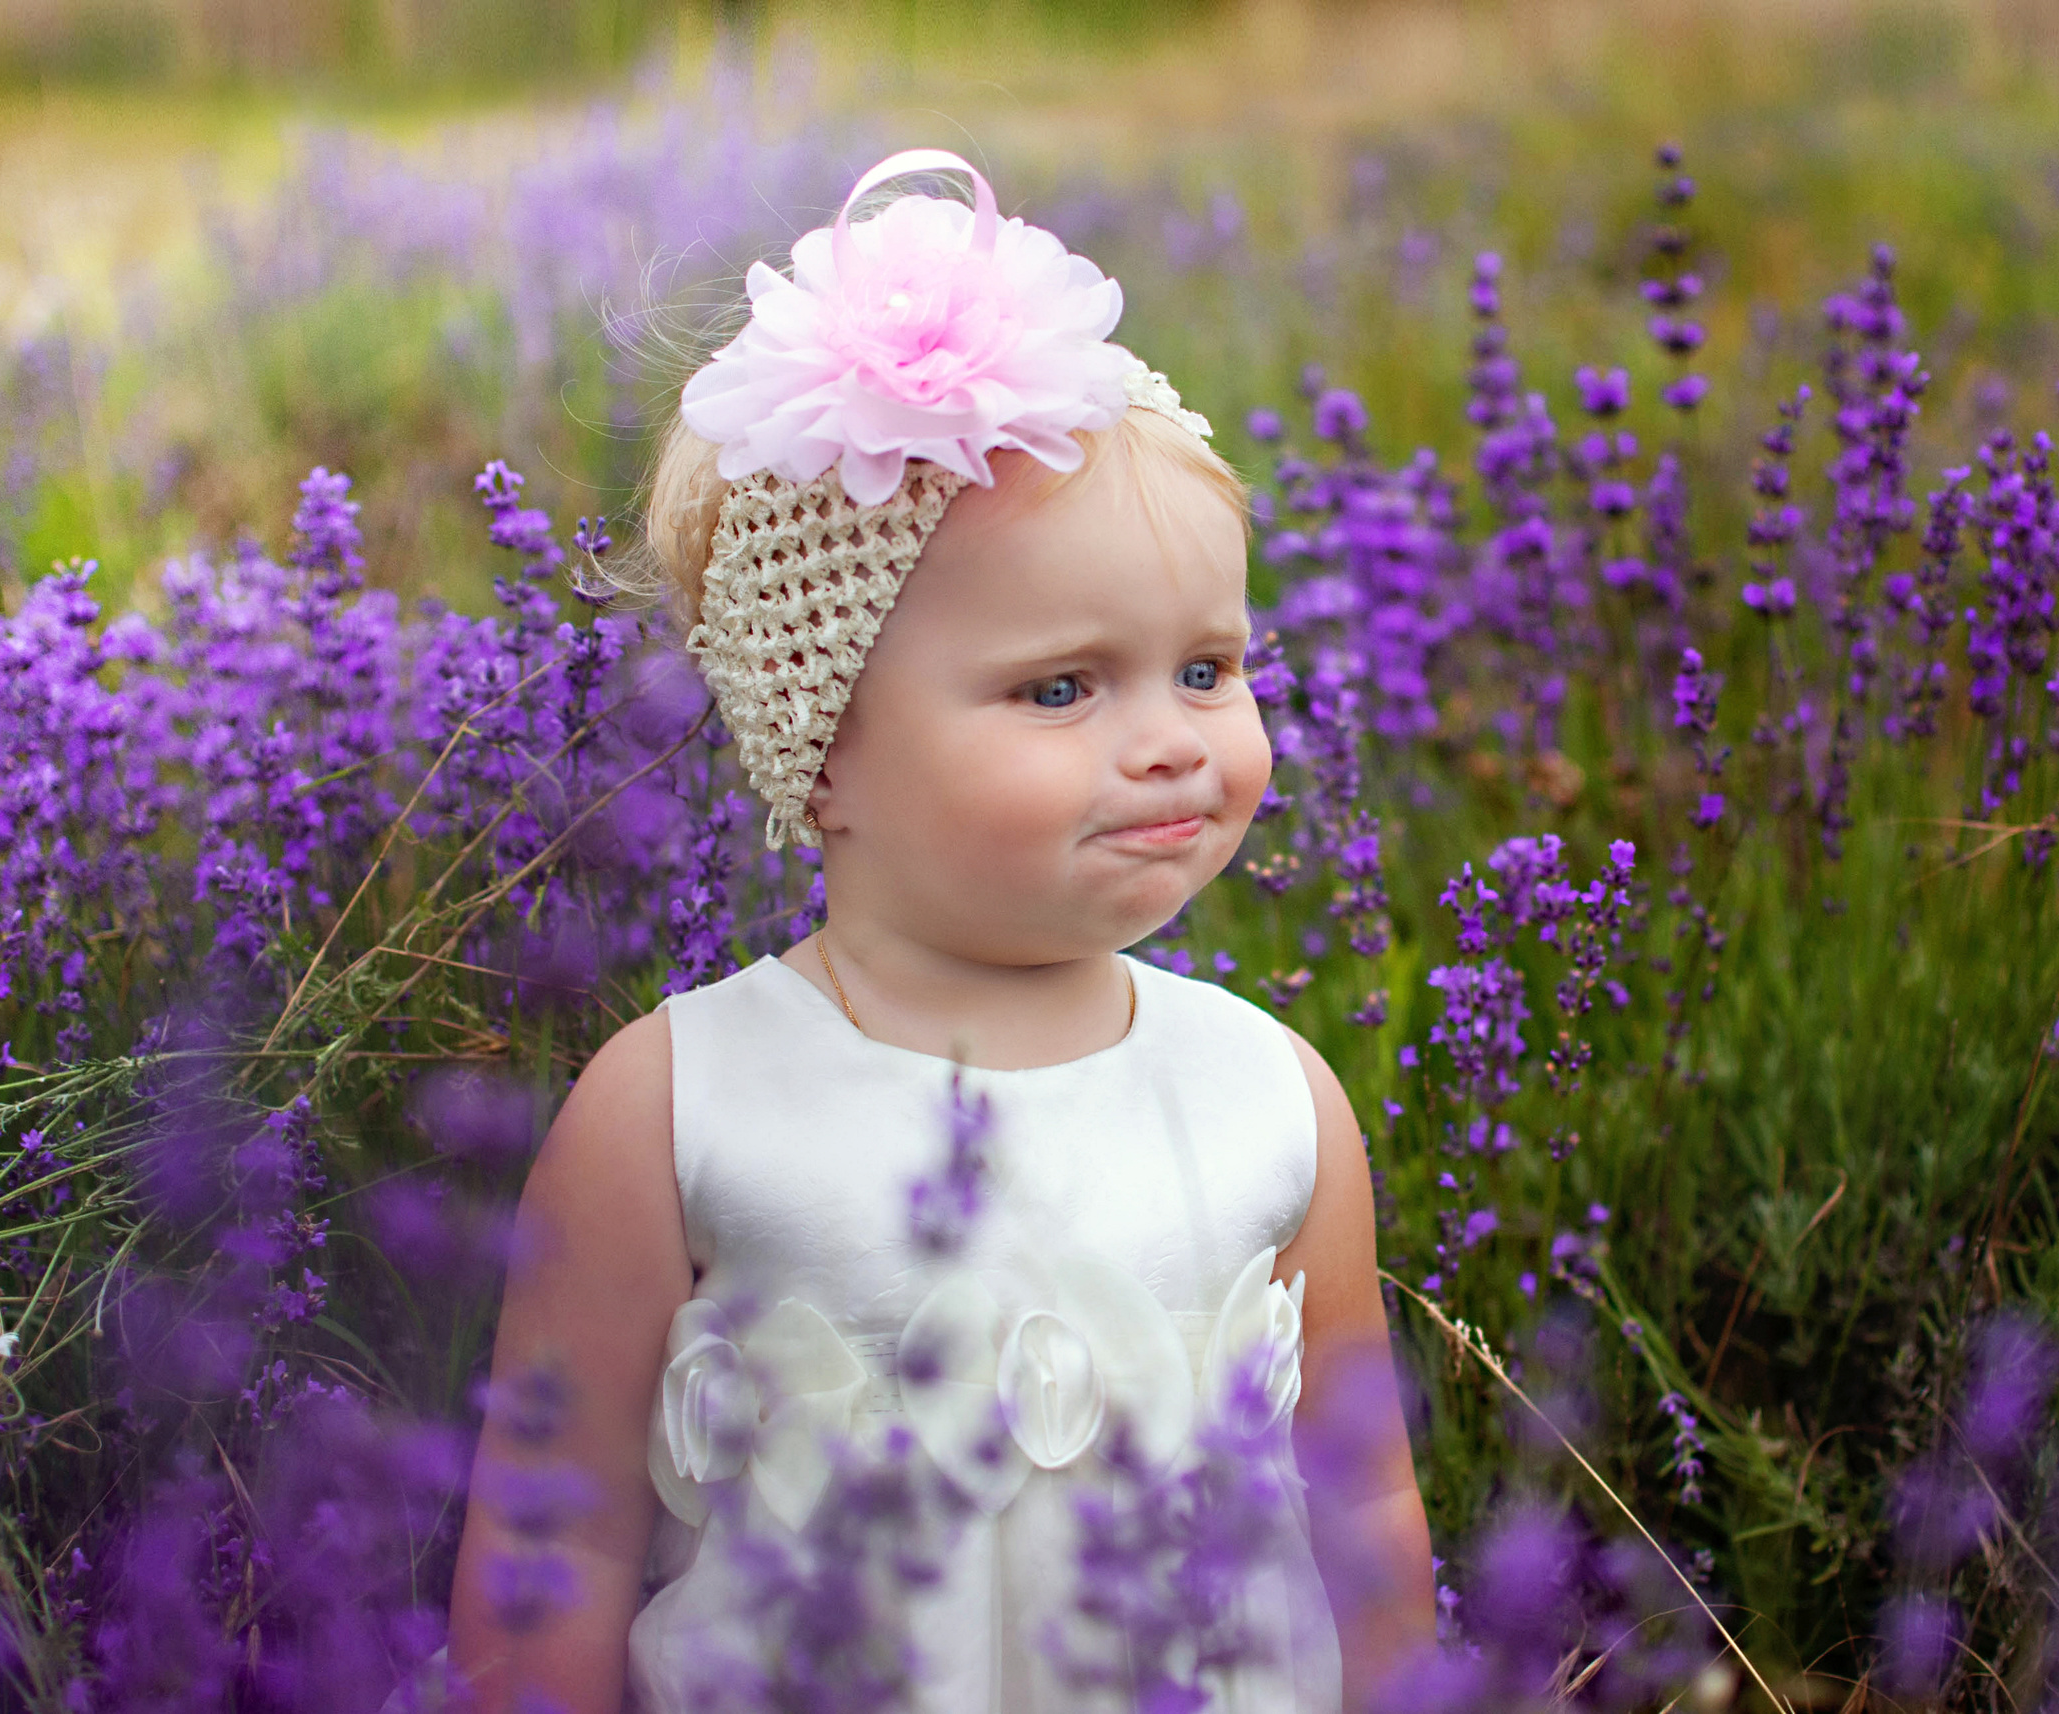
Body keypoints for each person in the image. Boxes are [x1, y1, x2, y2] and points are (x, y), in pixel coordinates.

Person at [438, 150, 1434, 1714]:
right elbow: (545, 1545)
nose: (1174, 739)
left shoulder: (1270, 1094)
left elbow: (1365, 1500)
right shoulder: (676, 1103)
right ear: (822, 750)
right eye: (1062, 686)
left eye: (1208, 668)